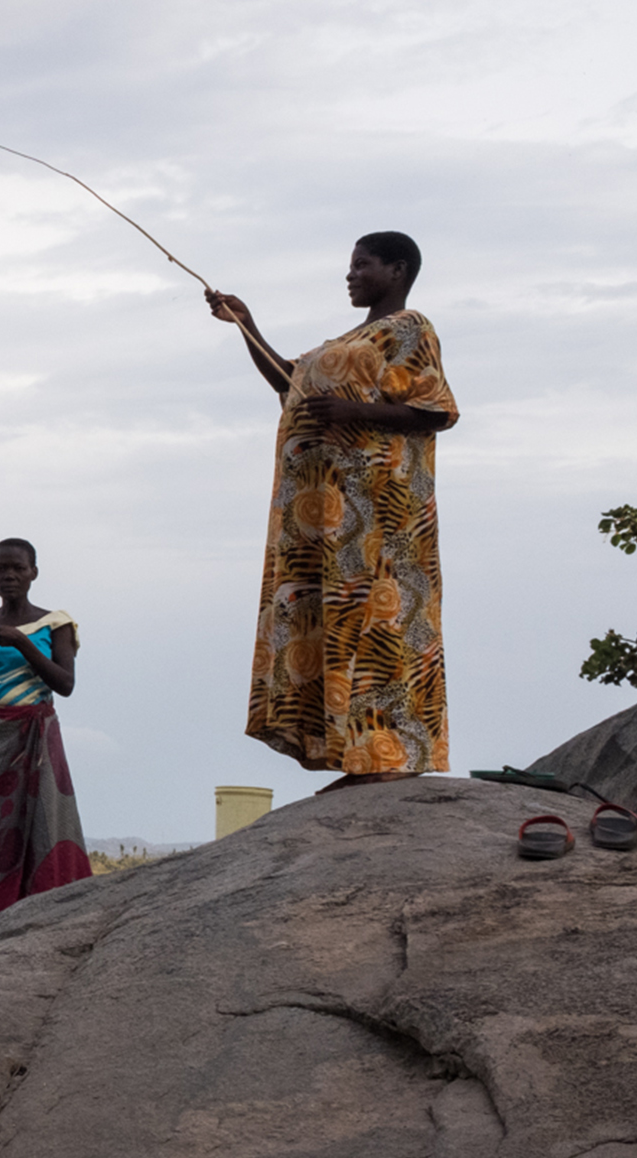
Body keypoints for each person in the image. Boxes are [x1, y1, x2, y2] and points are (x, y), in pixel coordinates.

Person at [206, 233, 458, 791]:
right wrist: (246, 323)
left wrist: (351, 409)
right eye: (350, 265)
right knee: (330, 621)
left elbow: (435, 410)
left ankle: (387, 753)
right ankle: (353, 753)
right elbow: (288, 380)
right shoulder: (350, 338)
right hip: (322, 518)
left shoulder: (409, 328)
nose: (350, 274)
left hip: (376, 513)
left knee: (379, 621)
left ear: (397, 270)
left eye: (361, 264)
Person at [0, 539, 91, 932]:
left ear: (34, 572)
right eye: (1, 569)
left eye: (18, 568)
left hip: (37, 733)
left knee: (46, 818)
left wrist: (21, 642)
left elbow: (65, 684)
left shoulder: (55, 623)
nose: (9, 576)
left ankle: (48, 913)